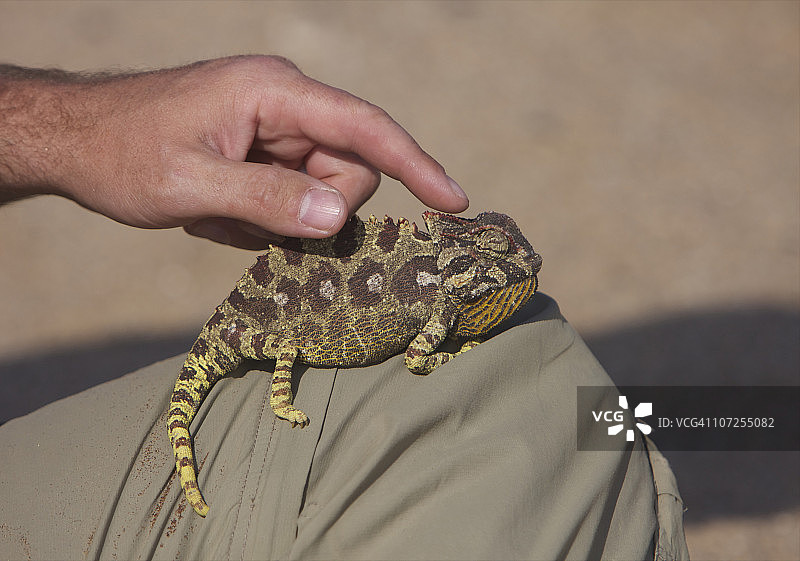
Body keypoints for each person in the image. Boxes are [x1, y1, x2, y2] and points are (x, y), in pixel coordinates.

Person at [0, 56, 688, 560]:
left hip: (284, 325)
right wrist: (450, 346)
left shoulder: (437, 267)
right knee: (531, 385)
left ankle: (268, 378)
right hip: (276, 326)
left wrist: (76, 130)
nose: (508, 270)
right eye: (492, 264)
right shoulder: (442, 297)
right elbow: (420, 357)